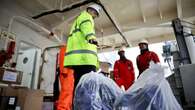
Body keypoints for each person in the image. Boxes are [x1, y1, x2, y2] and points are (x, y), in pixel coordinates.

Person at [64, 4, 102, 89]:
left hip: (80, 61)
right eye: (95, 14)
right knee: (87, 85)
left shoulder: (80, 18)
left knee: (79, 84)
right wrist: (91, 37)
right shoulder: (86, 16)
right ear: (91, 11)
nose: (95, 16)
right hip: (84, 60)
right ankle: (82, 102)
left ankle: (78, 102)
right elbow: (86, 27)